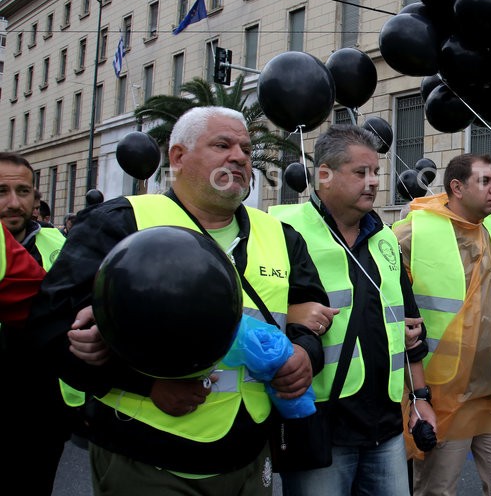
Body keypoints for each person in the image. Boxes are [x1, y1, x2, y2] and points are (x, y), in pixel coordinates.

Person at [28, 106, 329, 494]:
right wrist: (144, 385)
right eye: (222, 145)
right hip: (150, 461)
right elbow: (49, 327)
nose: (238, 156)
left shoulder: (282, 236)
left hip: (252, 457)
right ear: (178, 157)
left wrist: (305, 353)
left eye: (245, 148)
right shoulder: (118, 222)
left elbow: (313, 314)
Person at [270, 124, 436, 494]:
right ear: (324, 176)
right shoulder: (283, 231)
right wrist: (292, 315)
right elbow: (253, 315)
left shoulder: (386, 239)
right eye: (360, 172)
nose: (374, 181)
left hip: (387, 428)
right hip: (320, 426)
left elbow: (410, 329)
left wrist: (421, 399)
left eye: (376, 171)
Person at [393, 153, 491, 496]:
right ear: (457, 187)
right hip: (443, 395)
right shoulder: (413, 232)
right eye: (486, 181)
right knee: (437, 490)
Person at [0, 152, 73, 496]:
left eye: (23, 192)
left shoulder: (60, 243)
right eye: (1, 191)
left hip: (45, 407)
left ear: (36, 197)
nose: (13, 203)